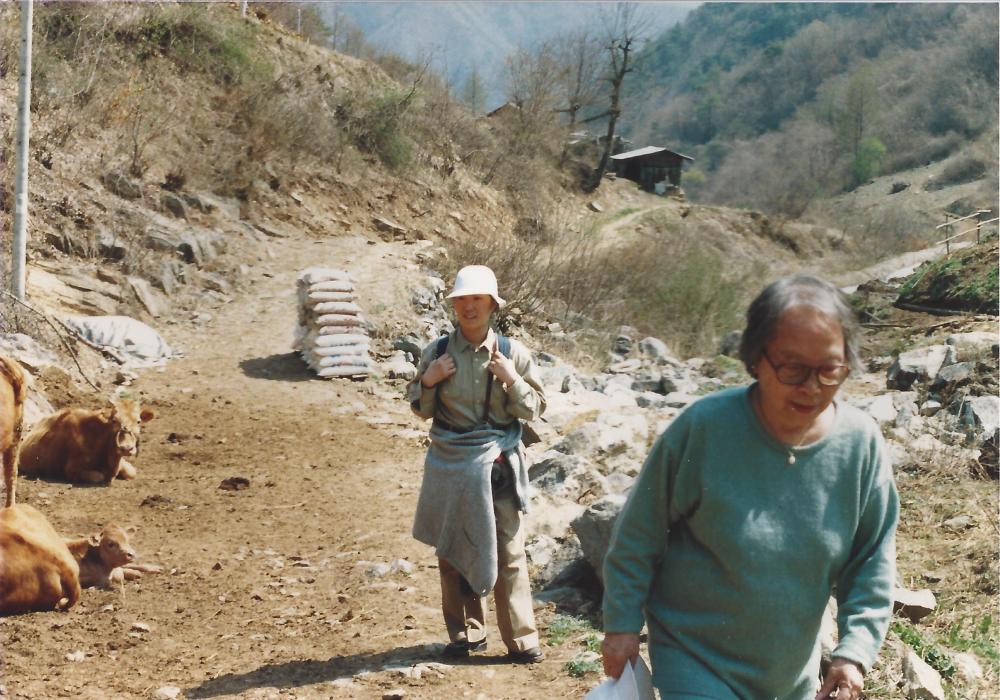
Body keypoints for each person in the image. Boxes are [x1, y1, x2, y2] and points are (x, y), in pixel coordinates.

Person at [600, 274, 899, 700]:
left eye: (829, 370)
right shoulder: (703, 429)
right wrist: (622, 625)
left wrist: (853, 653)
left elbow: (872, 560)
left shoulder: (860, 445)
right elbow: (638, 534)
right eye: (793, 368)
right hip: (694, 656)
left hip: (787, 673)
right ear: (756, 358)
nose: (812, 388)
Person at [408, 265, 547, 664]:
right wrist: (429, 381)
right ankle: (466, 636)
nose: (469, 307)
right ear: (454, 306)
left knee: (510, 553)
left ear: (492, 305)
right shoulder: (436, 353)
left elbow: (535, 408)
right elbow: (420, 408)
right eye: (462, 300)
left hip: (499, 464)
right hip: (450, 464)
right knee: (452, 552)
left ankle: (521, 640)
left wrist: (511, 380)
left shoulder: (514, 353)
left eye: (477, 299)